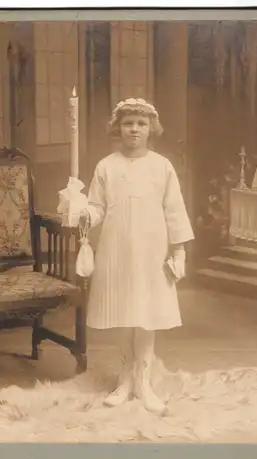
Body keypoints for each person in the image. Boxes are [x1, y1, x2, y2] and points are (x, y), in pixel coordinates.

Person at [82, 98, 194, 415]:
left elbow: (175, 211)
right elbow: (97, 208)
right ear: (118, 127)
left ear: (151, 129)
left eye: (141, 124)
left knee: (146, 314)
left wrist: (179, 250)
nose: (134, 129)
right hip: (116, 249)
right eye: (129, 123)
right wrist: (81, 212)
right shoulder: (106, 165)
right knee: (123, 312)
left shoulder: (162, 167)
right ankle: (125, 380)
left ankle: (143, 382)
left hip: (152, 250)